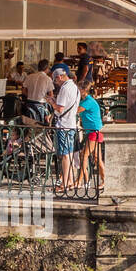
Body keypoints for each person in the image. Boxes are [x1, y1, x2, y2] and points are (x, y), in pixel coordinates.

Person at [49, 65, 80, 194]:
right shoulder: (75, 87)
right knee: (69, 154)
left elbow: (60, 108)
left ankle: (65, 183)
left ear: (59, 77)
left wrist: (51, 102)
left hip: (63, 125)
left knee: (65, 156)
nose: (56, 84)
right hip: (72, 124)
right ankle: (71, 181)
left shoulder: (65, 88)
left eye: (55, 81)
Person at [75, 81, 105, 188]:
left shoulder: (87, 101)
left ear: (83, 90)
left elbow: (76, 110)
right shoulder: (86, 100)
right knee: (97, 158)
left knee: (84, 155)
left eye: (78, 89)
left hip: (93, 132)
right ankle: (105, 180)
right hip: (95, 131)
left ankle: (81, 181)